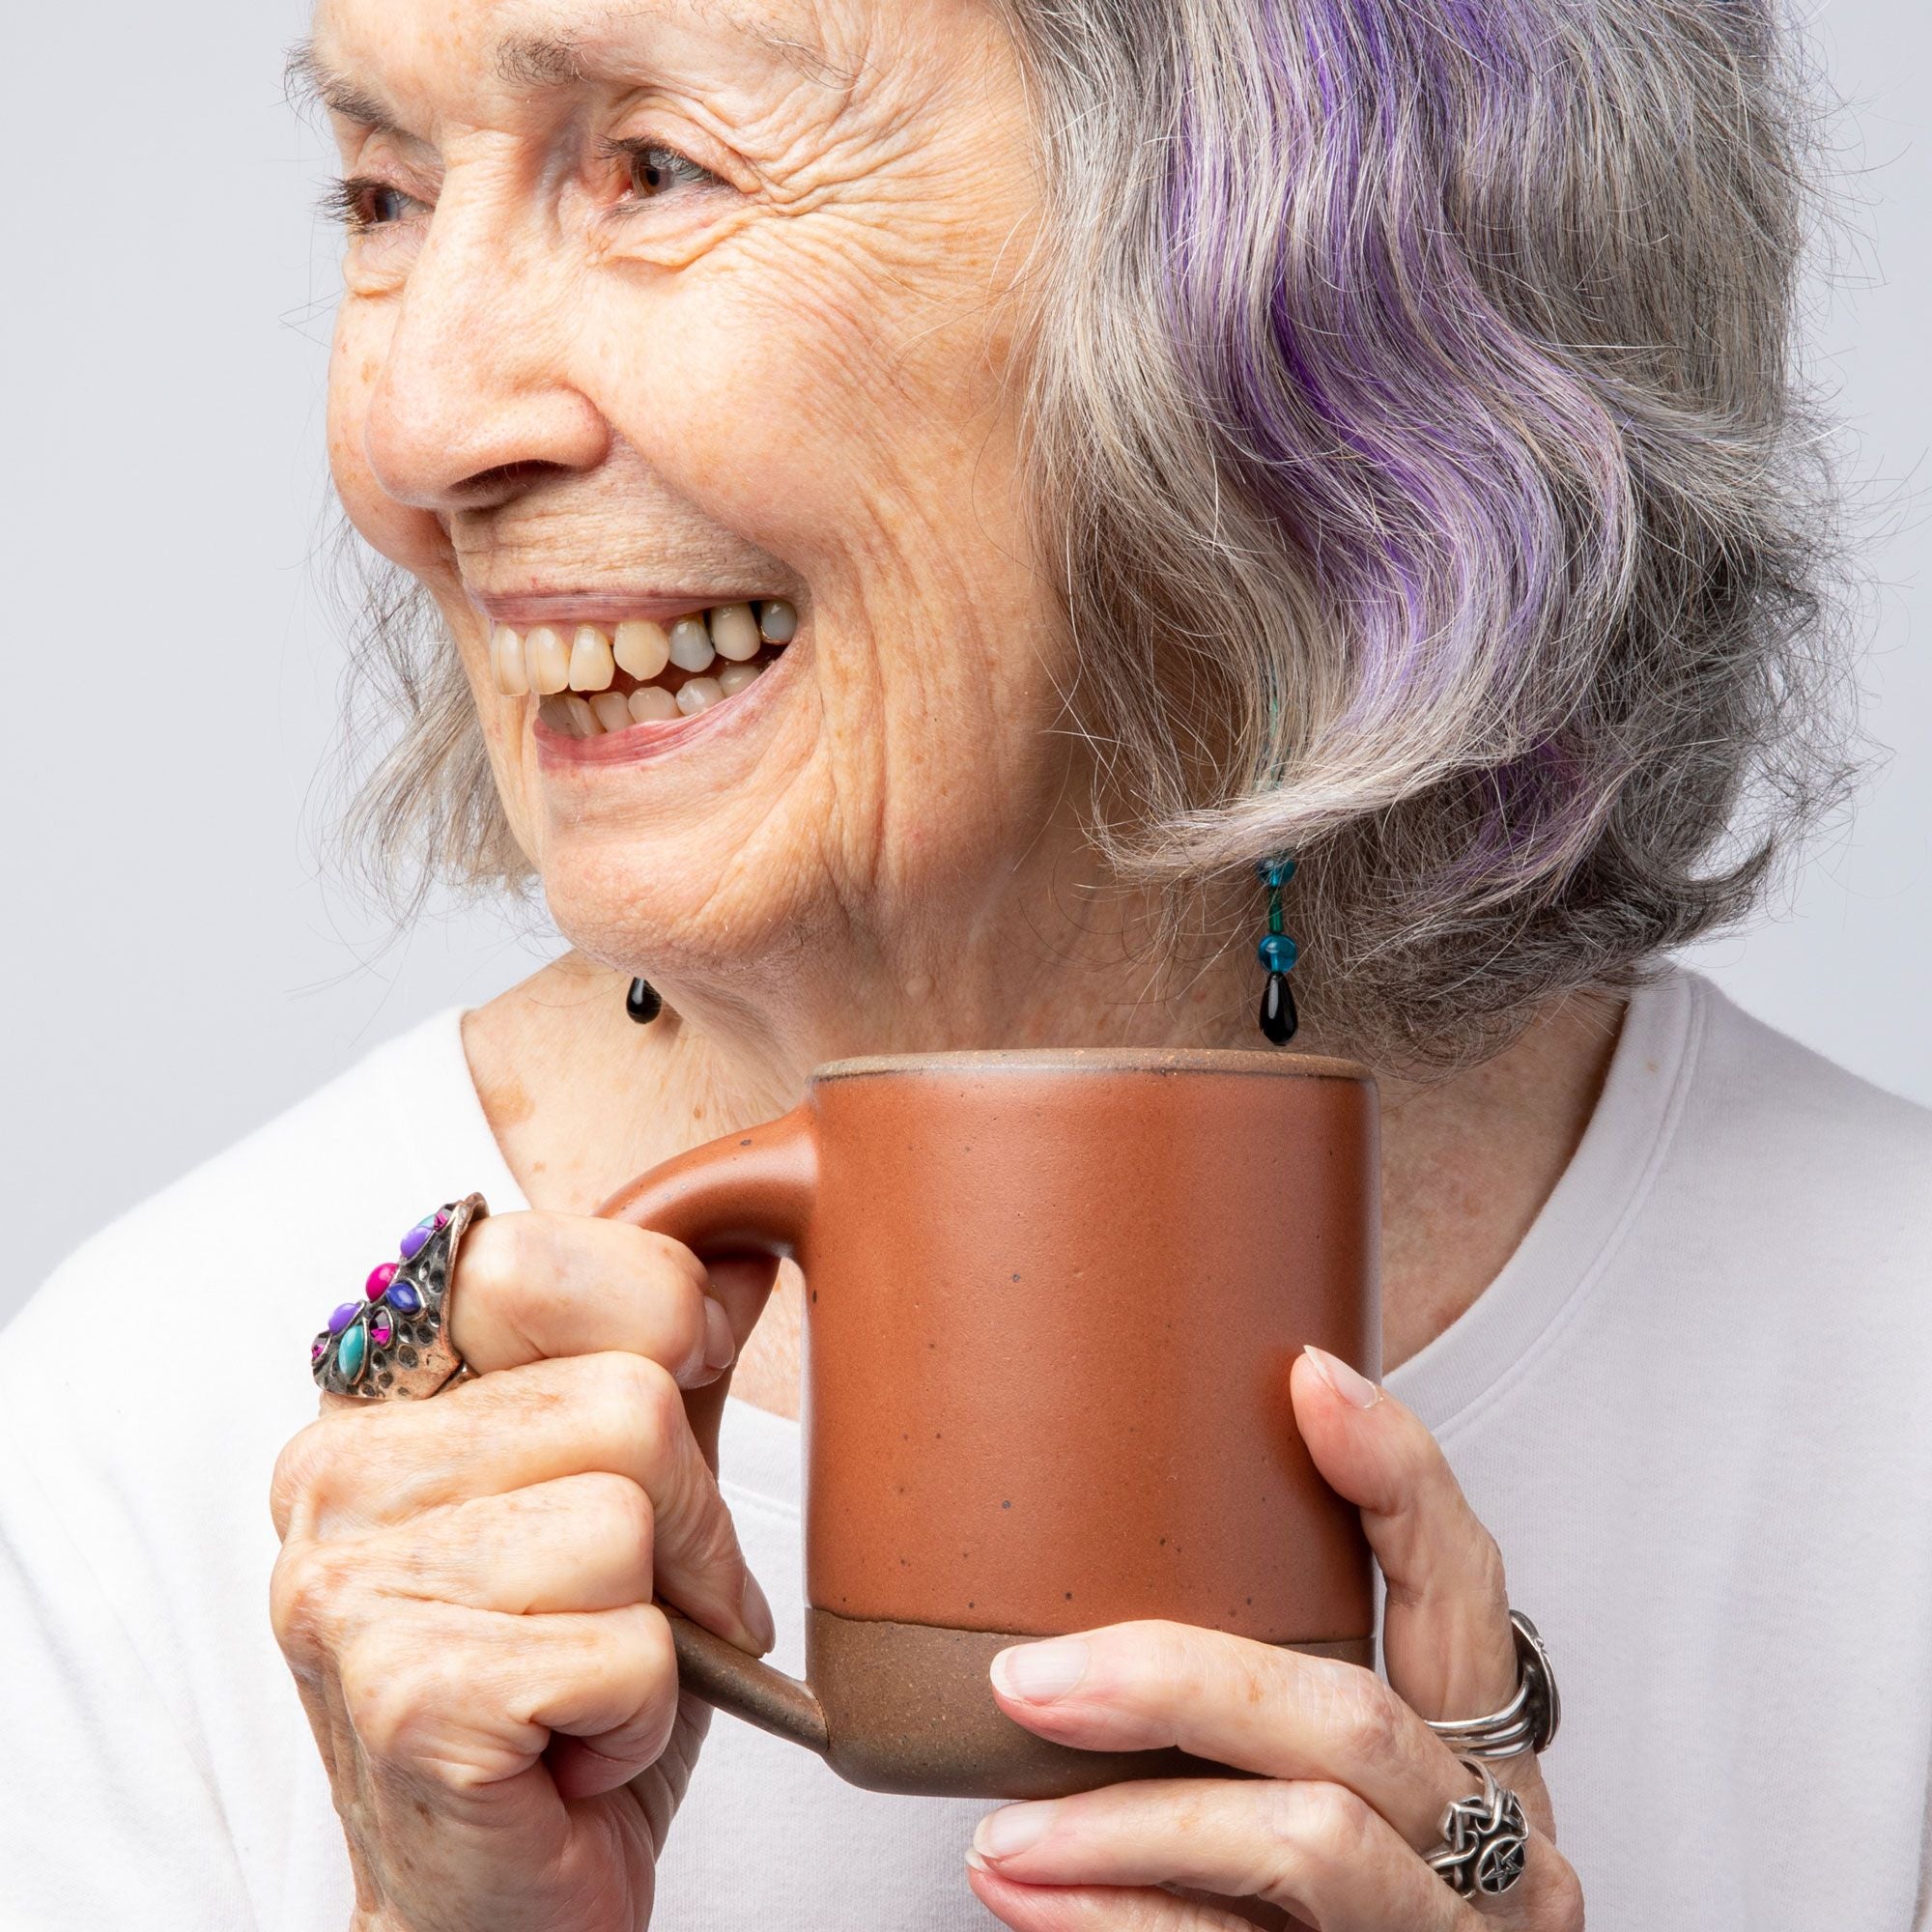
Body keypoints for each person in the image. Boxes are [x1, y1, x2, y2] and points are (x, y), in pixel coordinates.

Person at [4, 0, 1929, 1925]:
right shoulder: (140, 1435)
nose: (414, 431)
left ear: (1298, 278)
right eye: (383, 195)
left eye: (657, 168)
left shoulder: (1880, 1378)